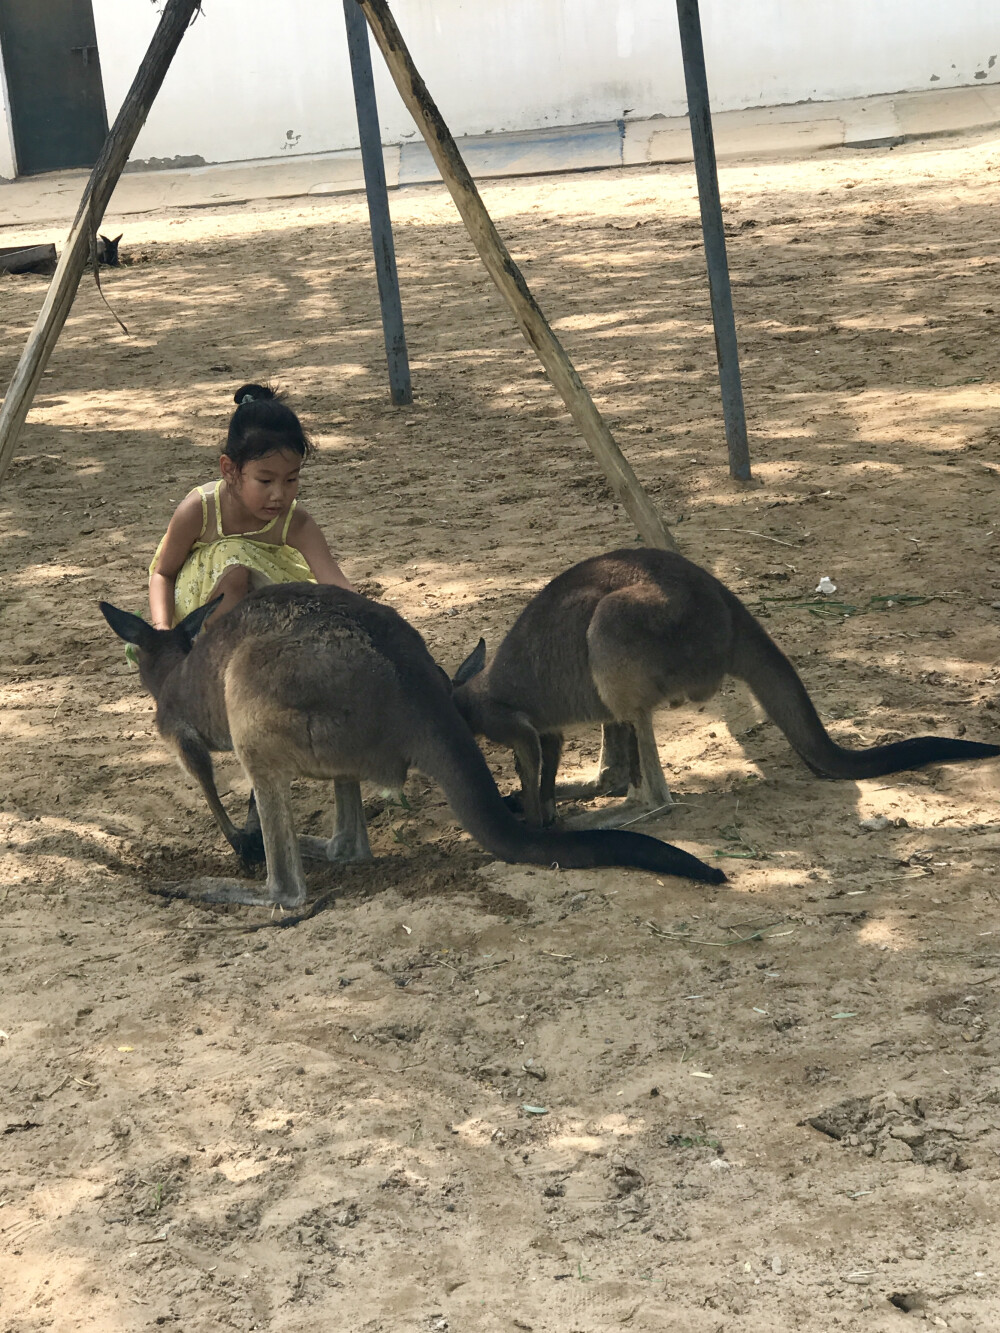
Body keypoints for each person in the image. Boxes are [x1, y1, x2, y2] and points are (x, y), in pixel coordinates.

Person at [148, 383, 353, 630]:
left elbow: (338, 587)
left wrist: (377, 623)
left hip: (266, 622)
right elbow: (163, 574)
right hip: (199, 624)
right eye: (265, 481)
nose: (278, 494)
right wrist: (161, 630)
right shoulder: (199, 510)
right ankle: (215, 656)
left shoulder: (295, 522)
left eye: (291, 479)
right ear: (229, 470)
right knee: (233, 564)